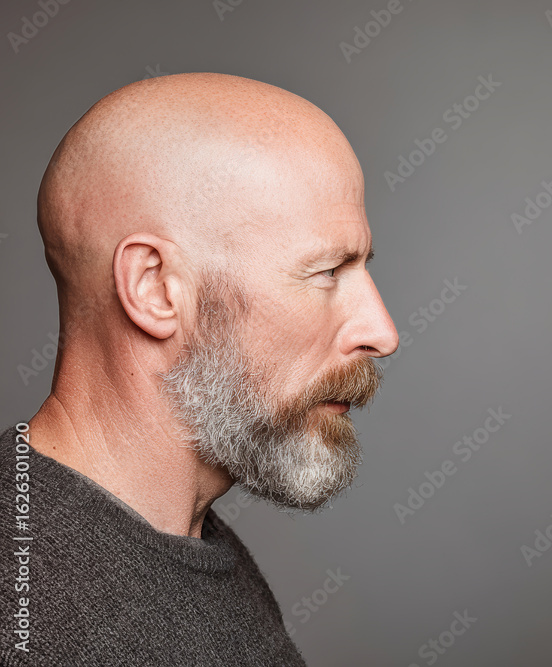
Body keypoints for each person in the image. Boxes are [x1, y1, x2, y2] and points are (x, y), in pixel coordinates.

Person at [1, 72, 398, 664]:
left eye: (362, 267)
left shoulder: (198, 553)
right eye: (326, 273)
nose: (381, 332)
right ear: (155, 289)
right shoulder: (23, 611)